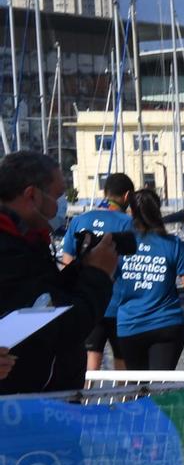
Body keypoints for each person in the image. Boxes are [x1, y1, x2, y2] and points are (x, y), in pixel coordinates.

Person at [0, 151, 117, 394]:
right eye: (58, 195)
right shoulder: (10, 250)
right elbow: (61, 327)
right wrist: (98, 275)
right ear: (31, 195)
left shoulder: (26, 241)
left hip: (46, 404)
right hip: (25, 412)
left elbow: (47, 298)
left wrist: (81, 269)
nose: (62, 204)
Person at [112, 187, 184, 371]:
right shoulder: (173, 244)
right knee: (160, 386)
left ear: (132, 211)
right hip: (166, 323)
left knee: (138, 387)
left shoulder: (120, 243)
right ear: (158, 209)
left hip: (129, 325)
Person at [58, 171, 135, 373]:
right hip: (118, 305)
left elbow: (67, 261)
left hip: (86, 303)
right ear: (127, 196)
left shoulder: (79, 221)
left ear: (105, 192)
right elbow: (131, 266)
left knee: (89, 367)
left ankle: (84, 403)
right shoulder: (126, 223)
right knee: (122, 366)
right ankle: (123, 404)